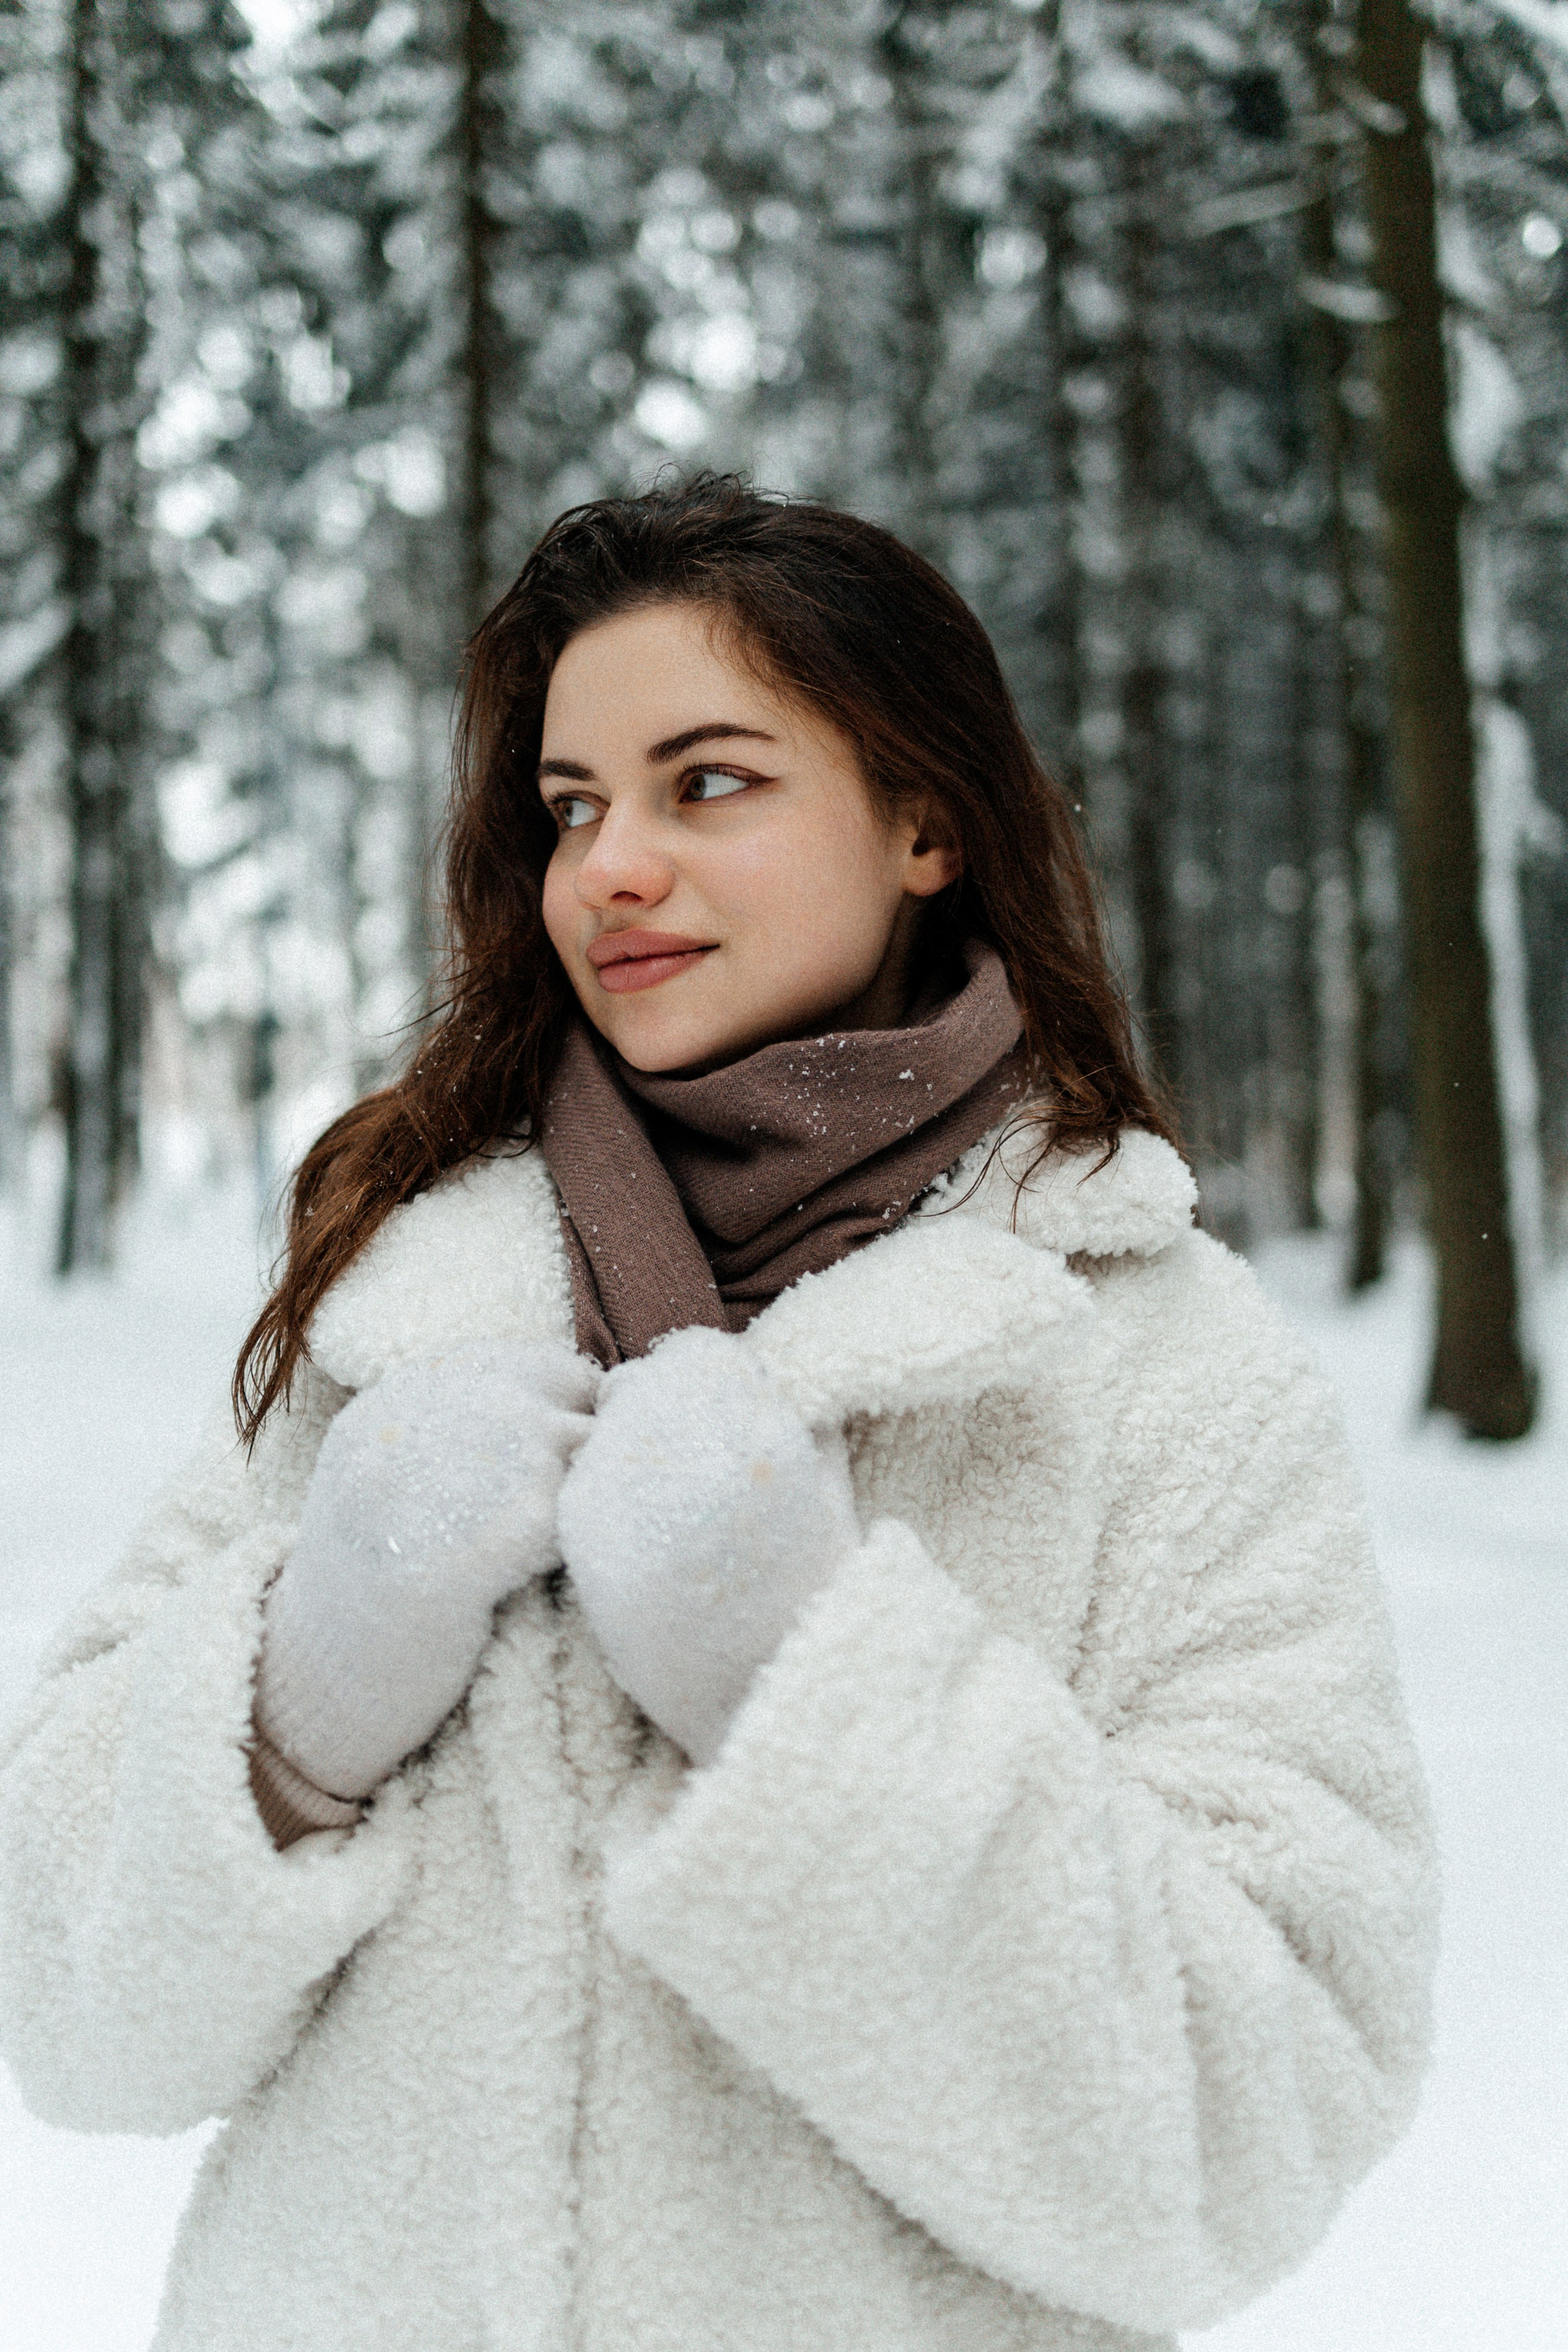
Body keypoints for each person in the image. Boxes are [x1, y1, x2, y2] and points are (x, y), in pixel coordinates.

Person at [0, 477, 1438, 2352]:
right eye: (575, 806)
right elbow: (57, 2007)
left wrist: (805, 1687)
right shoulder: (394, 1306)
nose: (608, 867)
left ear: (924, 818)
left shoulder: (1144, 1363)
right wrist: (296, 1698)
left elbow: (1262, 2122)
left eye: (709, 782)